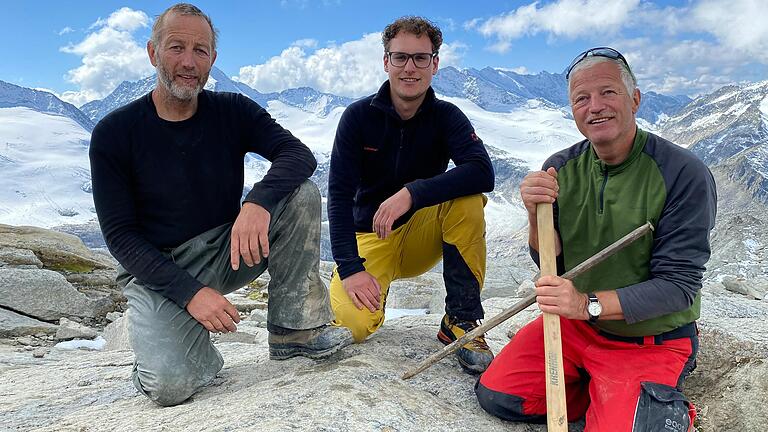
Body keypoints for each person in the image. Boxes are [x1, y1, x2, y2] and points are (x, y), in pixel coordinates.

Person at [89, 3, 351, 407]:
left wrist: (257, 203)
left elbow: (298, 155)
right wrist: (191, 294)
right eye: (177, 47)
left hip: (225, 249)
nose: (189, 62)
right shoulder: (115, 133)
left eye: (201, 50)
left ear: (213, 58)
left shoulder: (231, 110)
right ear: (153, 52)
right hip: (158, 269)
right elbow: (121, 237)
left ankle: (293, 331)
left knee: (301, 194)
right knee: (169, 387)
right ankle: (177, 351)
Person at [475, 47, 717, 431]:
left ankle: (651, 409)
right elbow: (551, 261)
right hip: (578, 329)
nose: (595, 107)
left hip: (650, 339)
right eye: (581, 99)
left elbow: (678, 287)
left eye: (608, 92)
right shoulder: (559, 167)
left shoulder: (683, 172)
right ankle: (609, 399)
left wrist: (586, 303)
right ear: (572, 109)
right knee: (500, 396)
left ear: (635, 99)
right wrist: (533, 213)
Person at [327, 16, 495, 374]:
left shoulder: (447, 116)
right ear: (386, 61)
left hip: (421, 235)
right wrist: (350, 268)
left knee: (468, 198)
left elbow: (482, 171)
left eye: (421, 58)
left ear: (435, 64)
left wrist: (412, 193)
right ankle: (370, 286)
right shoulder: (357, 117)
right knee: (350, 326)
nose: (410, 67)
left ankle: (461, 320)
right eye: (400, 57)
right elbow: (338, 196)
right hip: (370, 237)